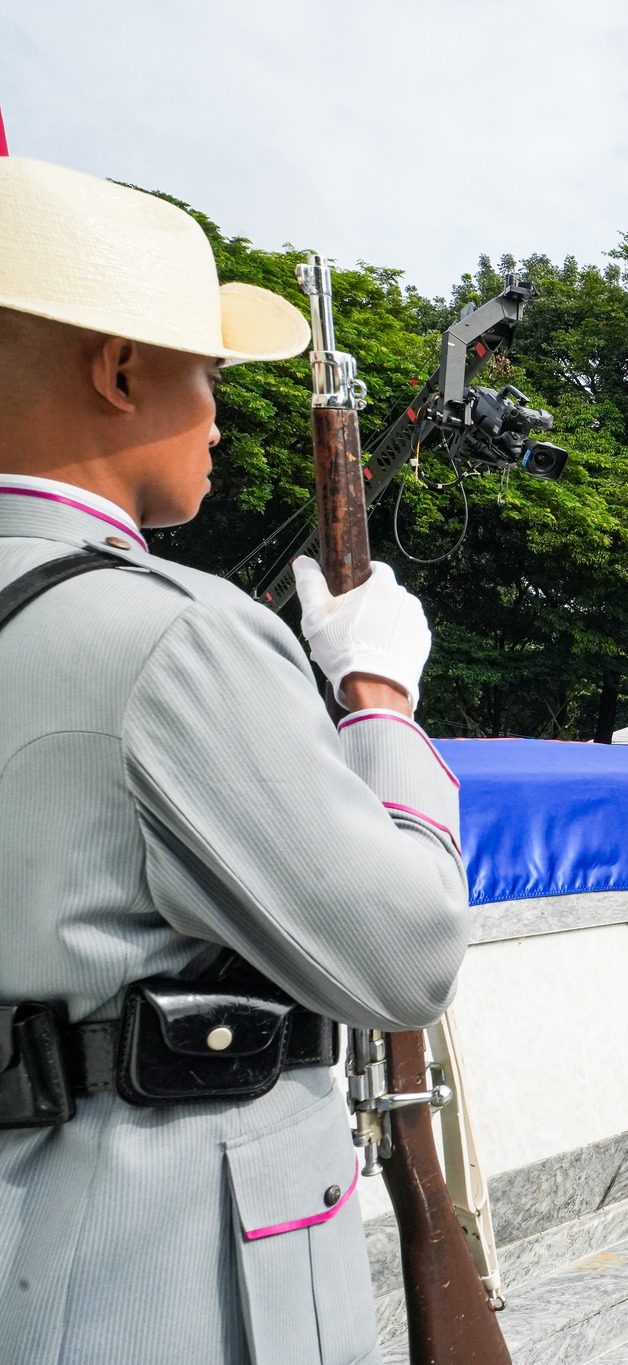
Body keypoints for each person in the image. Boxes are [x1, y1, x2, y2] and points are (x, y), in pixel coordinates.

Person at [0, 157, 474, 1360]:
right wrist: (376, 694)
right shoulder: (176, 632)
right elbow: (404, 950)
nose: (216, 414)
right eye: (205, 376)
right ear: (118, 371)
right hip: (157, 1274)